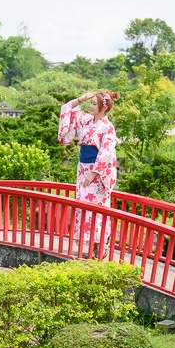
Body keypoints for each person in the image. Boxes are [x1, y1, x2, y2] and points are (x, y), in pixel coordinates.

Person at [58, 90, 119, 256]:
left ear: (103, 107)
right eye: (90, 103)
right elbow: (67, 109)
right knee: (84, 208)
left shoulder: (107, 127)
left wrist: (94, 172)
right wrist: (80, 99)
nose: (90, 106)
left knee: (96, 209)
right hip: (83, 169)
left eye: (93, 104)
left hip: (97, 174)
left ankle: (100, 246)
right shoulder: (85, 120)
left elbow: (107, 152)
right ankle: (92, 246)